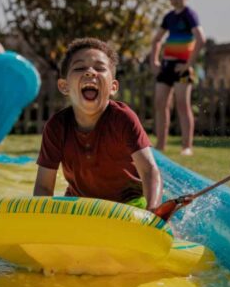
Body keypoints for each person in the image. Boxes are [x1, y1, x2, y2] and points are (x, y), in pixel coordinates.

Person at [33, 38, 162, 211]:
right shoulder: (57, 127)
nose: (90, 72)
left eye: (100, 68)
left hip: (128, 206)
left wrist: (153, 210)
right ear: (64, 86)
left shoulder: (123, 119)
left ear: (113, 87)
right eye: (79, 68)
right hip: (80, 206)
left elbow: (149, 171)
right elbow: (44, 186)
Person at [149, 0, 206, 156]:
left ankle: (186, 146)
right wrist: (154, 61)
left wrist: (189, 64)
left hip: (183, 68)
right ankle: (160, 145)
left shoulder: (190, 15)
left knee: (182, 104)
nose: (175, 0)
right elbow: (157, 40)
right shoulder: (168, 17)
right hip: (166, 65)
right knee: (160, 103)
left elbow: (201, 39)